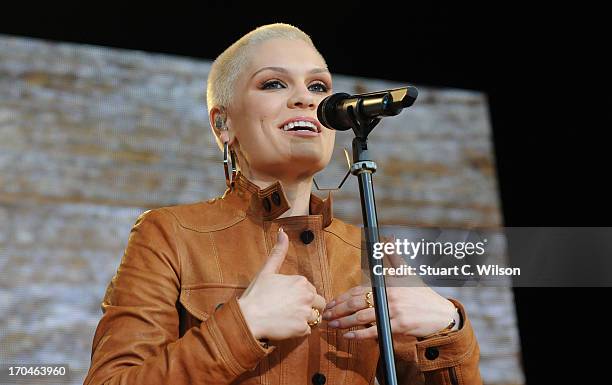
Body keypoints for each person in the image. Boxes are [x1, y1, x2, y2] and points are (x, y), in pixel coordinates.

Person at [83, 23, 482, 385]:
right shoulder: (170, 233)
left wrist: (445, 328)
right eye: (274, 84)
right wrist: (243, 327)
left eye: (319, 87)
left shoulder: (365, 253)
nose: (305, 100)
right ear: (223, 124)